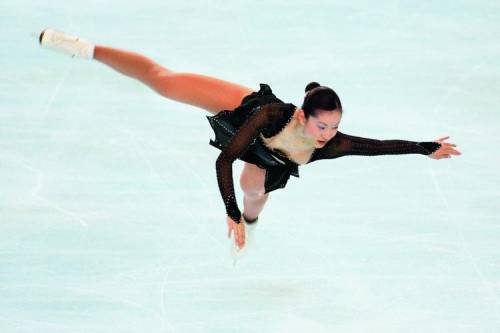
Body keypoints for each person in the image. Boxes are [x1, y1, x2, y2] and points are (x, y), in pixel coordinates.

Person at [38, 28, 461, 255]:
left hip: (271, 163)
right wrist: (229, 213)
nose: (328, 135)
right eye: (322, 127)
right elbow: (224, 160)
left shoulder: (332, 144)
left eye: (334, 127)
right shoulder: (270, 115)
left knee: (254, 192)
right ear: (302, 115)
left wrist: (426, 147)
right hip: (244, 124)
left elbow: (377, 146)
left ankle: (254, 222)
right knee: (163, 82)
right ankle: (87, 49)